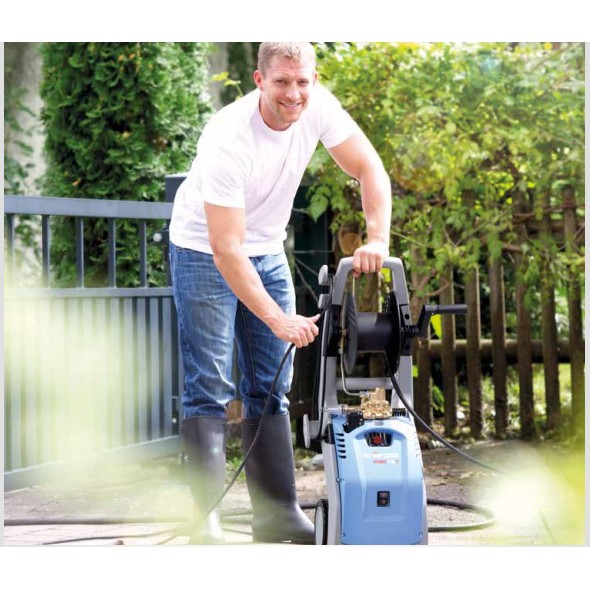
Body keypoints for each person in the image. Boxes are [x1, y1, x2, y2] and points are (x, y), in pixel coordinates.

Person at [169, 42, 392, 545]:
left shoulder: (319, 107)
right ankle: (205, 519)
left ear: (314, 80)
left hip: (266, 248)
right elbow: (227, 250)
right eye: (281, 83)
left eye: (302, 82)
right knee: (210, 381)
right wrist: (277, 318)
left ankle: (276, 514)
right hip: (204, 249)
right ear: (259, 81)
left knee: (271, 383)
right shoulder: (228, 136)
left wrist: (377, 238)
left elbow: (369, 168)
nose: (294, 94)